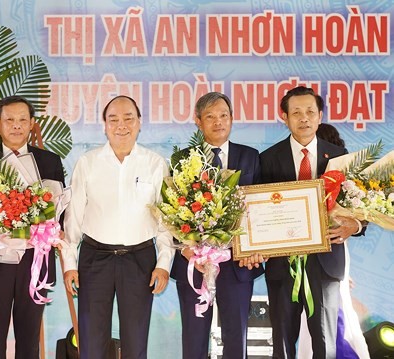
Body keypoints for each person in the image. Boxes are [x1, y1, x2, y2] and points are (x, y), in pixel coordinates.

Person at [61, 95, 175, 359]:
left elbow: (165, 222)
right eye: (113, 119)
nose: (121, 125)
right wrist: (70, 265)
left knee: (135, 341)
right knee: (91, 339)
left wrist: (164, 263)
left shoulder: (155, 164)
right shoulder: (87, 163)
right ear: (104, 125)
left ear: (139, 123)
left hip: (140, 259)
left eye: (128, 118)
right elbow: (73, 219)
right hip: (95, 259)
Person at [260, 86, 365, 358]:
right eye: (296, 112)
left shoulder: (341, 156)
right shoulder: (268, 159)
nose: (303, 118)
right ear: (284, 117)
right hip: (282, 264)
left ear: (319, 116)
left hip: (326, 261)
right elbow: (256, 214)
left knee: (325, 344)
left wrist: (355, 226)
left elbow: (362, 206)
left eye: (309, 112)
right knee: (282, 343)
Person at [0, 95, 65, 359]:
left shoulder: (49, 161)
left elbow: (60, 212)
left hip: (34, 260)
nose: (16, 126)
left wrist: (55, 229)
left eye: (23, 120)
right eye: (9, 120)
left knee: (29, 339)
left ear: (32, 123)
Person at [170, 92, 264, 358]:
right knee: (194, 338)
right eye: (210, 117)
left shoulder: (251, 157)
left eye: (224, 115)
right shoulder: (182, 160)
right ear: (198, 122)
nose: (218, 122)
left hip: (237, 264)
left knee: (236, 339)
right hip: (195, 265)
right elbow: (172, 211)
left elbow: (260, 210)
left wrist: (257, 248)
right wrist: (187, 249)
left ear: (232, 119)